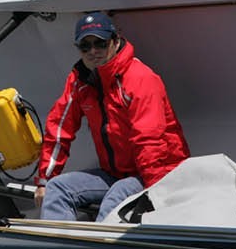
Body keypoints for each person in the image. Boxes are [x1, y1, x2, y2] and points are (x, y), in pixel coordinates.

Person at [35, 12, 190, 222]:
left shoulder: (140, 78)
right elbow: (60, 129)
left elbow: (149, 140)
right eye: (85, 46)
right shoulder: (79, 82)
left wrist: (158, 190)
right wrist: (44, 180)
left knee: (117, 194)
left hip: (159, 174)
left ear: (115, 42)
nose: (93, 51)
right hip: (115, 173)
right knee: (57, 188)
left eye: (100, 43)